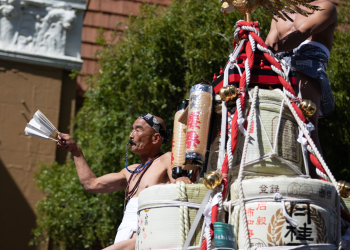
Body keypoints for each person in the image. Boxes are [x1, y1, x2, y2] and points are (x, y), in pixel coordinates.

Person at [57, 113, 190, 250]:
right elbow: (91, 184)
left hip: (146, 240)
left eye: (137, 130)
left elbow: (181, 188)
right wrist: (75, 150)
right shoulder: (130, 172)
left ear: (156, 138)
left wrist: (180, 178)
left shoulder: (167, 159)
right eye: (132, 130)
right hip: (123, 239)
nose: (131, 135)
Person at [265, 0, 337, 178]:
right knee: (272, 122)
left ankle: (321, 183)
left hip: (308, 68)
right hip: (278, 70)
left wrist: (266, 49)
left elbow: (303, 33)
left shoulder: (326, 6)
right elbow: (269, 43)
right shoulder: (280, 13)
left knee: (308, 128)